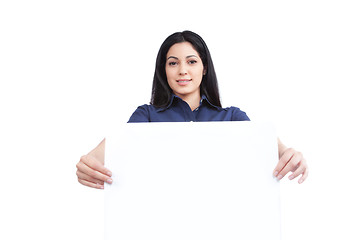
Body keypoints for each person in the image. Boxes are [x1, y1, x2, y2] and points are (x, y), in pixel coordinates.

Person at [76, 31, 309, 189]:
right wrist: (86, 165)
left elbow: (276, 151)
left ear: (204, 68)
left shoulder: (232, 117)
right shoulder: (146, 116)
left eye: (191, 61)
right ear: (164, 70)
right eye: (173, 63)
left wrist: (293, 157)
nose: (182, 71)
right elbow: (97, 157)